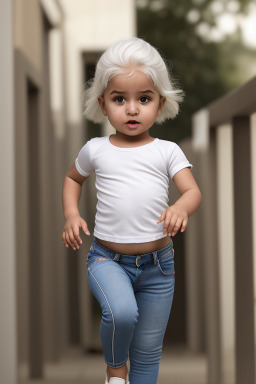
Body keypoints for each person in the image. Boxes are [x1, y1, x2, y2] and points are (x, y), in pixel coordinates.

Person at [62, 37, 202, 384]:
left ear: (160, 102)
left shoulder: (166, 151)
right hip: (107, 259)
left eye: (144, 99)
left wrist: (181, 207)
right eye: (119, 99)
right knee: (121, 313)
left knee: (149, 353)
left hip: (159, 268)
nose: (132, 109)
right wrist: (71, 214)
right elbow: (72, 178)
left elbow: (192, 191)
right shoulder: (95, 149)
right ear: (103, 104)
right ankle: (114, 368)